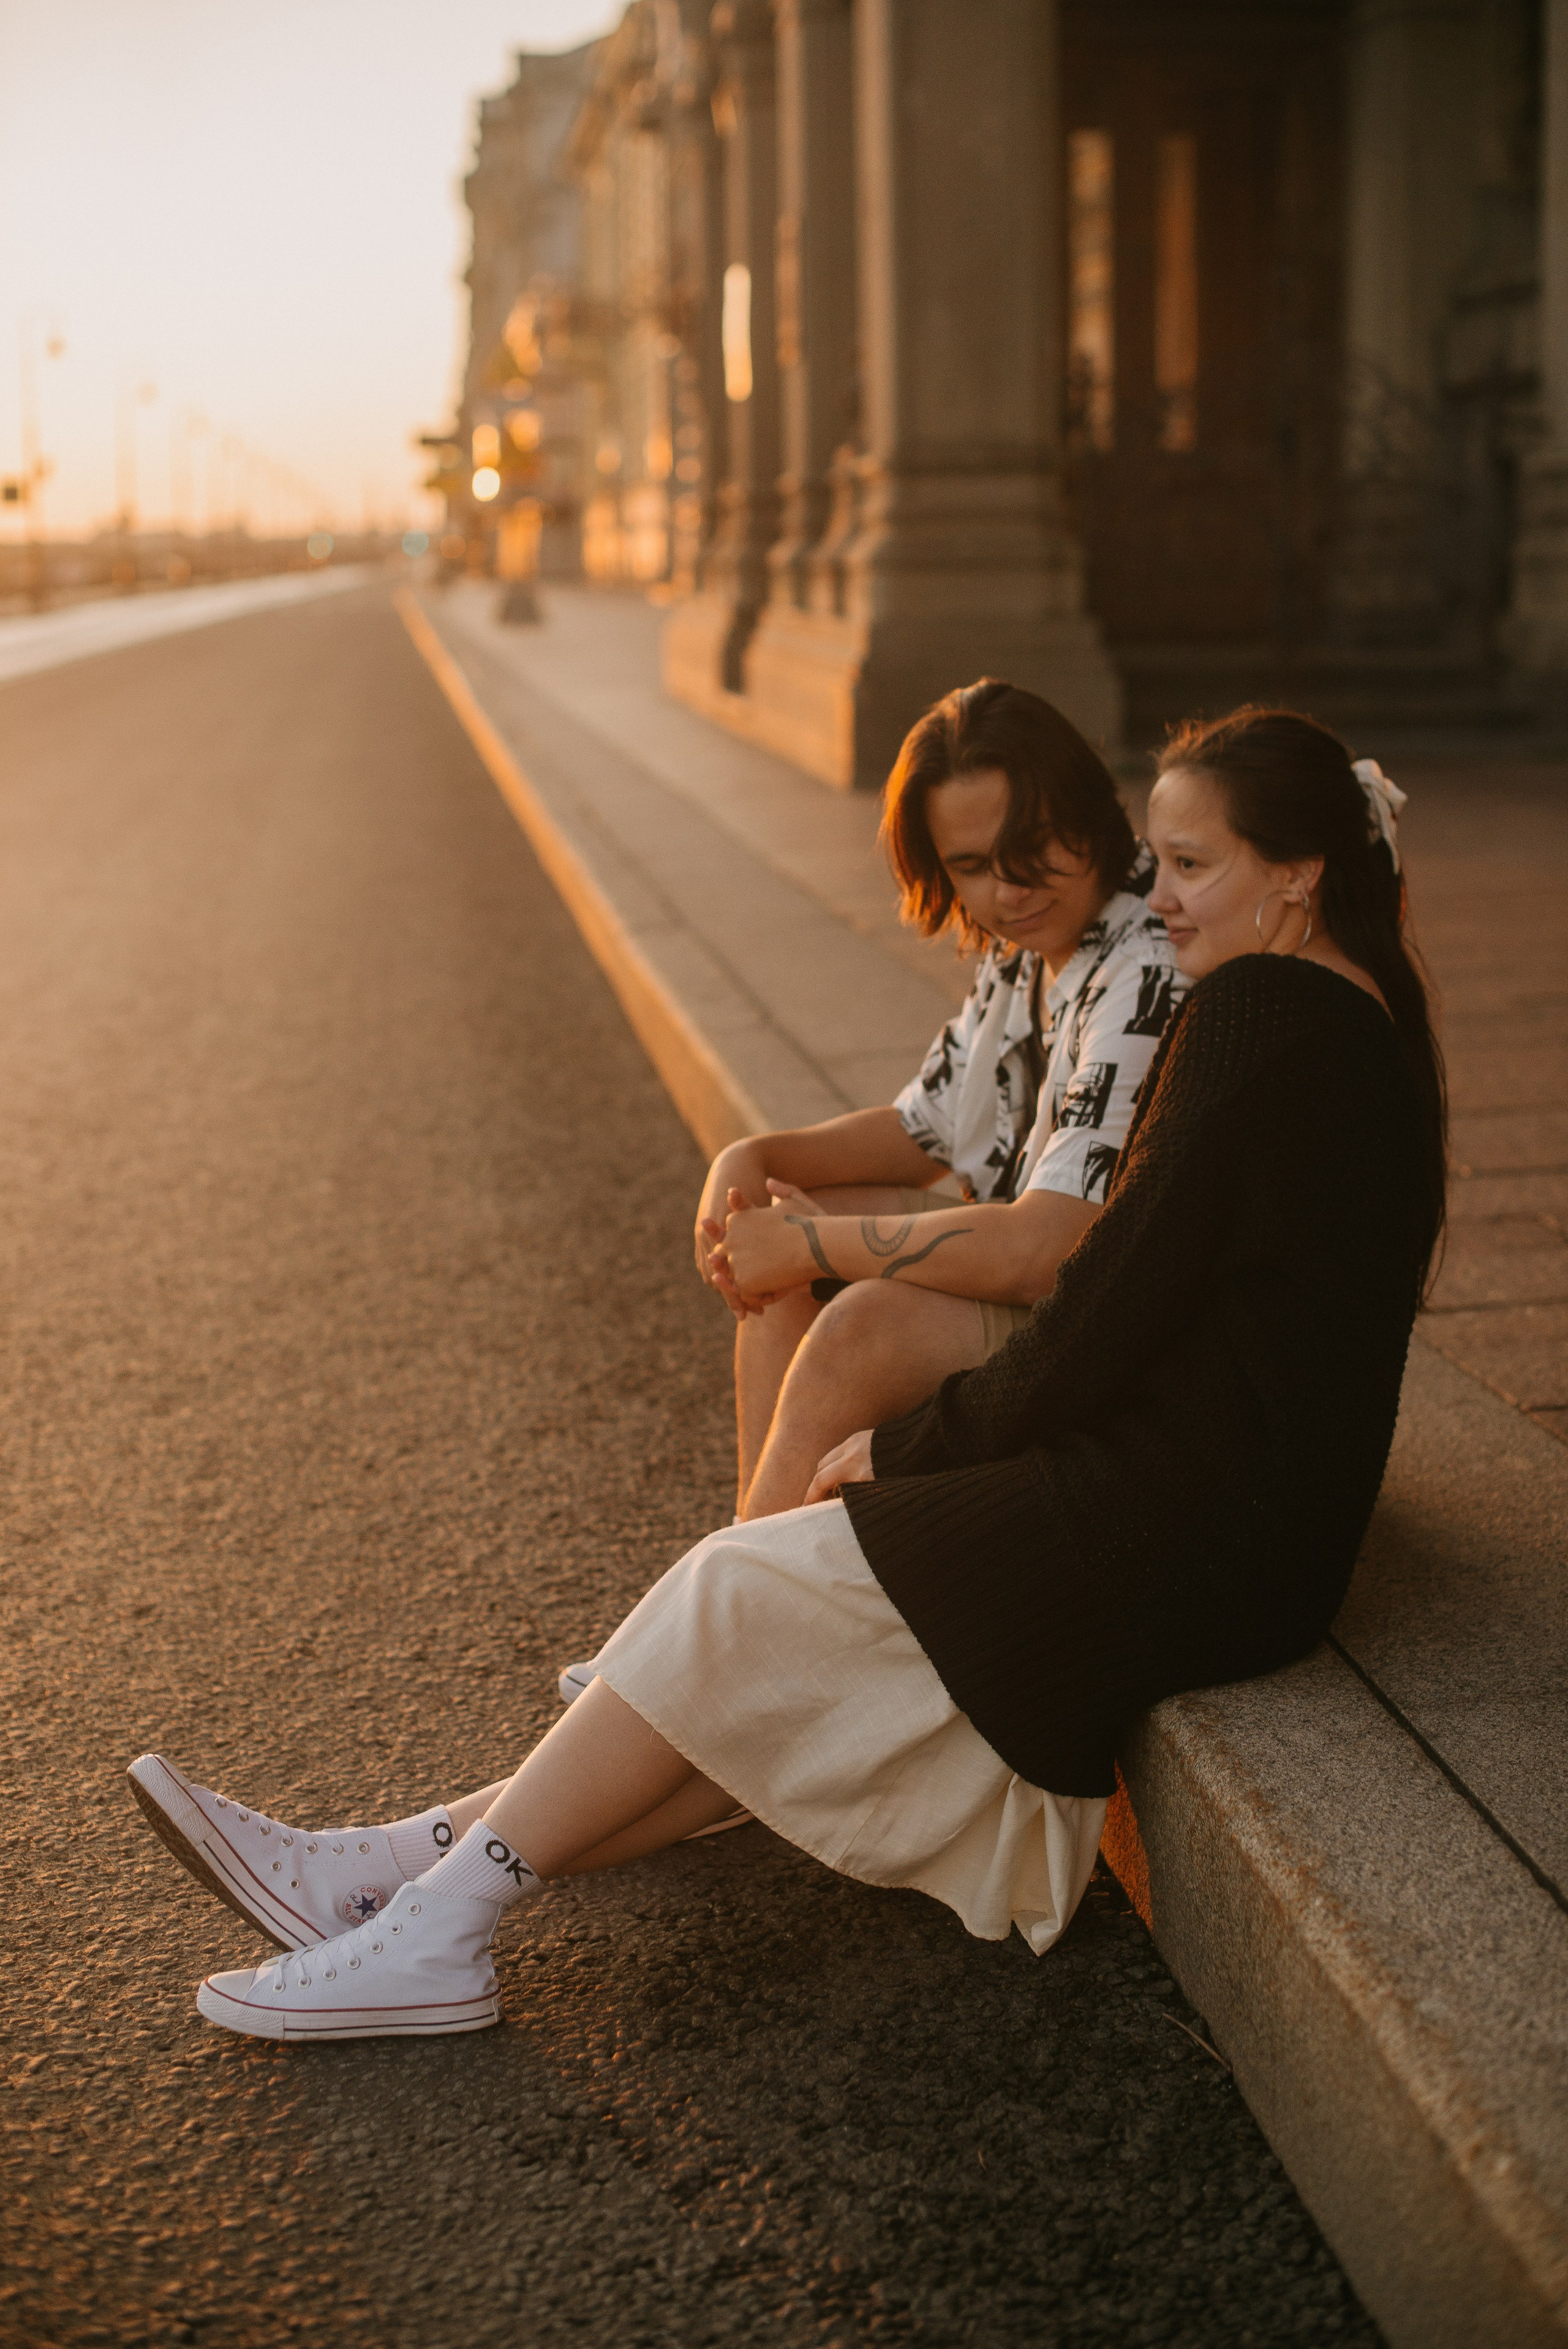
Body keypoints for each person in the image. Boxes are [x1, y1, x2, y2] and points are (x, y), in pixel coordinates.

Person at [128, 706, 1445, 2042]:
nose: (1153, 897)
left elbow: (1101, 1304)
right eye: (1157, 863)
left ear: (1297, 875)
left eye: (1188, 866)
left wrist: (917, 1447)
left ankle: (433, 1921)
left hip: (1184, 1520)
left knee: (735, 1595)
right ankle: (393, 1881)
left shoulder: (1256, 1017)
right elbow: (1157, 1303)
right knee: (757, 1639)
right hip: (1231, 1519)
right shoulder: (1358, 1023)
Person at [701, 681, 1185, 1534]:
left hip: (1122, 1332)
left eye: (1029, 845)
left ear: (1086, 807)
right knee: (792, 1245)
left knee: (860, 1321)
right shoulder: (1031, 939)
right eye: (970, 867)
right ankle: (741, 1569)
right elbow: (922, 1128)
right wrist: (753, 1160)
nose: (1009, 890)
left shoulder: (1141, 960)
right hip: (1047, 1288)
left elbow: (1049, 1251)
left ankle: (713, 1621)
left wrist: (810, 1245)